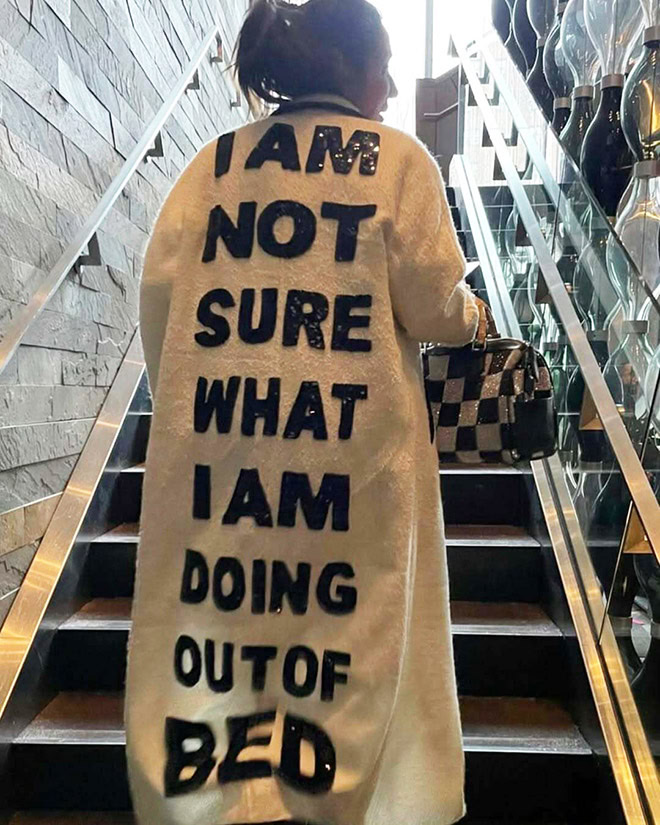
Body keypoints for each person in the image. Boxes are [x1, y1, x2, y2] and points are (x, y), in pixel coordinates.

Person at [125, 1, 481, 824]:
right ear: (351, 69)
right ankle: (324, 795)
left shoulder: (210, 168)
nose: (392, 90)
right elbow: (435, 307)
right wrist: (474, 319)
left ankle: (222, 793)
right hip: (350, 470)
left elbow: (160, 309)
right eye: (384, 68)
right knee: (347, 638)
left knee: (221, 625)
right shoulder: (397, 163)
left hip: (225, 465)